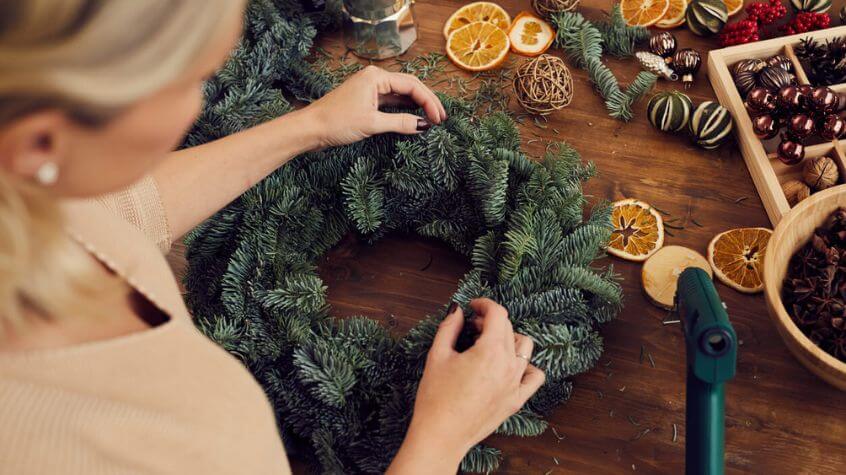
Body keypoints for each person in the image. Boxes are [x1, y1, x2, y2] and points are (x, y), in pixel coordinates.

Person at [0, 1, 545, 473]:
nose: (198, 102)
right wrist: (440, 439)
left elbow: (106, 216)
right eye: (190, 80)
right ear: (41, 140)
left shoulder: (25, 194)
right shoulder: (90, 445)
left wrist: (309, 126)